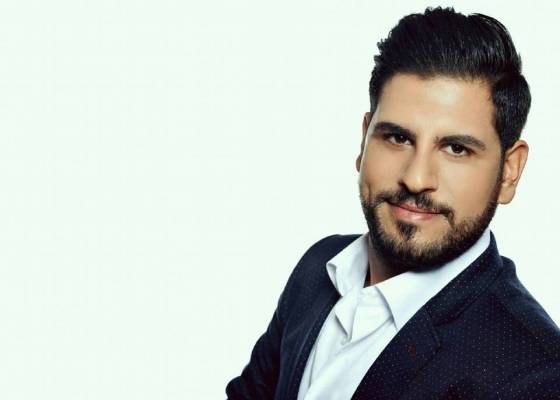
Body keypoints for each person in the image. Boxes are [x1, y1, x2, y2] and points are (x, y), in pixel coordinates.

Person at [225, 7, 560, 399]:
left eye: (456, 148)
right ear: (364, 140)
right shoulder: (318, 268)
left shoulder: (534, 378)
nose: (416, 178)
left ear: (509, 172)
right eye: (398, 138)